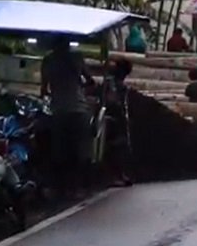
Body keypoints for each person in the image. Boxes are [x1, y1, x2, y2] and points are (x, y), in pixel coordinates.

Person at [40, 35, 93, 198]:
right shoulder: (77, 58)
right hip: (78, 108)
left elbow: (43, 89)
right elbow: (90, 81)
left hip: (59, 110)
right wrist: (82, 86)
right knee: (79, 150)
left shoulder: (48, 60)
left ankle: (59, 187)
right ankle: (76, 187)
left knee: (59, 150)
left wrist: (52, 92)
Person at [104, 59, 134, 187]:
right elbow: (112, 100)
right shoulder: (114, 84)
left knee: (119, 146)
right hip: (114, 116)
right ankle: (115, 175)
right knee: (116, 146)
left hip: (117, 115)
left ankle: (119, 174)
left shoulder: (115, 83)